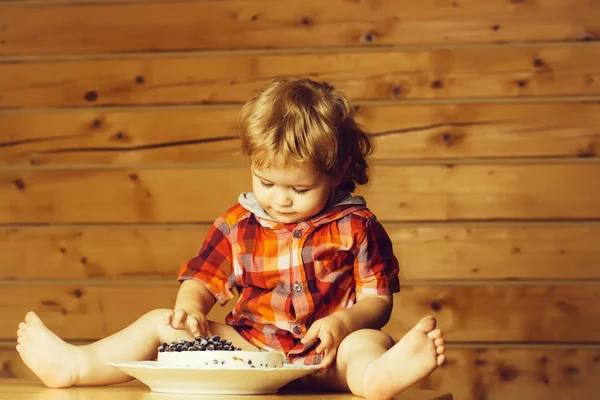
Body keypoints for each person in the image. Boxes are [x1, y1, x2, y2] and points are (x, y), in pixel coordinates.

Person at [16, 78, 445, 400]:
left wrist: (343, 323)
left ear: (337, 171)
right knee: (156, 323)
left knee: (370, 344)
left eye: (299, 189)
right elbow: (203, 279)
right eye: (266, 182)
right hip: (247, 356)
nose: (281, 200)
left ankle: (375, 380)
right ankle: (76, 365)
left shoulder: (358, 225)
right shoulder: (238, 224)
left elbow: (378, 301)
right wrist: (189, 309)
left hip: (324, 357)